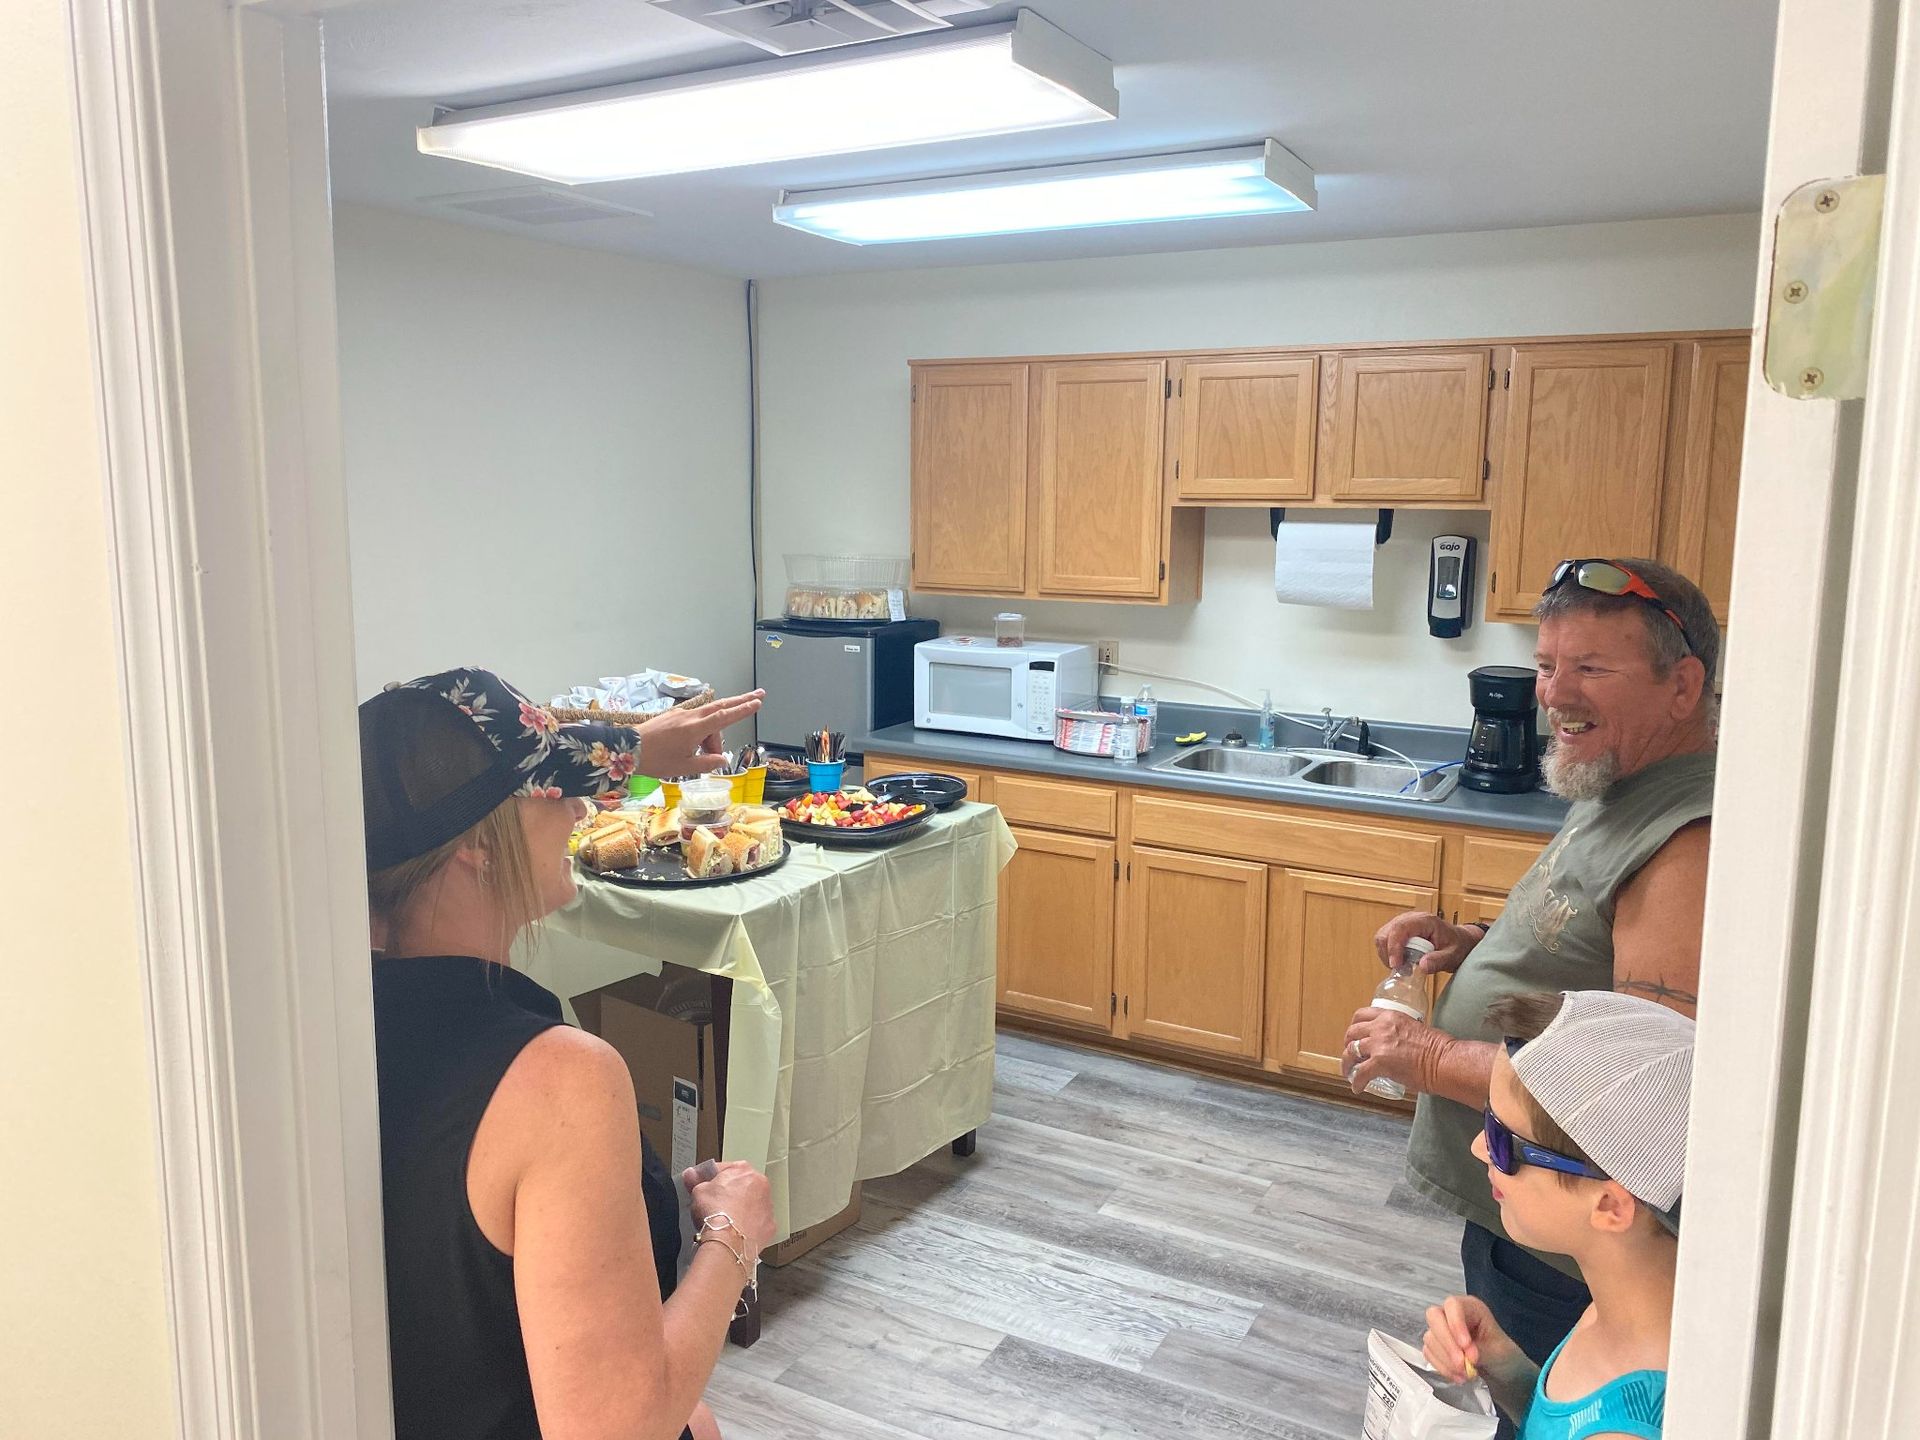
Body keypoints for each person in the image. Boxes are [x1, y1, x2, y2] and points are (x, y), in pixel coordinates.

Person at [361, 667, 773, 1440]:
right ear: (481, 848)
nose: (586, 809)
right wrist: (734, 1241)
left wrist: (636, 748)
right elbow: (613, 1429)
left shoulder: (327, 1026)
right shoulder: (561, 1079)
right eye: (557, 789)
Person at [1344, 557, 1717, 1373]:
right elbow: (1591, 960)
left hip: (1573, 1251)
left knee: (1543, 1410)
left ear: (1682, 687)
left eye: (1590, 667)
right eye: (1549, 665)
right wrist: (1472, 943)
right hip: (1525, 1199)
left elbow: (1642, 1094)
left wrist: (1430, 1055)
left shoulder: (1688, 840)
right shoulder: (1626, 782)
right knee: (1509, 1388)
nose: (1552, 693)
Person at [1421, 990, 1692, 1439]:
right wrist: (1504, 1365)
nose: (1478, 1148)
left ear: (1610, 1205)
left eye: (1503, 1141)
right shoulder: (1623, 1311)